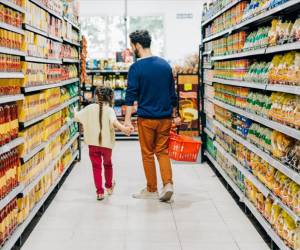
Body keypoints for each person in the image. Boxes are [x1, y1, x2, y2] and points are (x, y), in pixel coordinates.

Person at [124, 30, 179, 202]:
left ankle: (151, 189)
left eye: (132, 45)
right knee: (162, 151)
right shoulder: (164, 65)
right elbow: (172, 94)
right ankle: (168, 184)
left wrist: (127, 122)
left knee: (147, 153)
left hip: (146, 118)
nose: (132, 48)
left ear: (137, 45)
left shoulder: (136, 68)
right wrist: (176, 114)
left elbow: (130, 96)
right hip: (165, 118)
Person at [75, 87, 131, 200]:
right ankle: (109, 187)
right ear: (110, 98)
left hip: (92, 144)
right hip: (106, 145)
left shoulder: (89, 108)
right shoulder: (110, 110)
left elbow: (77, 117)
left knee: (96, 167)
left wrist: (74, 110)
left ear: (96, 97)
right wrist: (124, 129)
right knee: (108, 165)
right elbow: (114, 122)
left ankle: (99, 192)